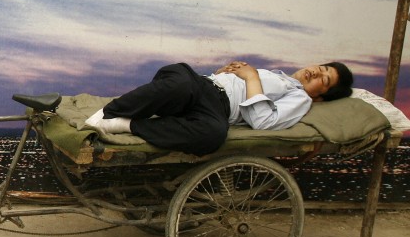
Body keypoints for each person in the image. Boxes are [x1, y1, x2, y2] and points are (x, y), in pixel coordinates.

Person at [84, 60, 354, 156]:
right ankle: (108, 113)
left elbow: (262, 121)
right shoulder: (280, 75)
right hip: (201, 84)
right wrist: (224, 73)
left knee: (213, 134)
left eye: (324, 79)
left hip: (215, 109)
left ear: (321, 96)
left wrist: (251, 77)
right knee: (179, 83)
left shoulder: (301, 99)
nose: (317, 72)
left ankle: (126, 124)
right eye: (322, 67)